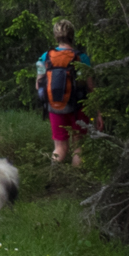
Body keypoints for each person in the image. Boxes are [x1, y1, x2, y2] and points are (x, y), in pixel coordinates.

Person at [35, 18, 94, 166]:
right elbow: (91, 87)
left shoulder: (45, 57)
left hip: (54, 106)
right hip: (78, 107)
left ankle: (54, 177)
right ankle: (76, 182)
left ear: (56, 36)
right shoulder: (82, 57)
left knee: (59, 148)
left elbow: (38, 84)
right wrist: (97, 112)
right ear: (72, 35)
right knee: (78, 147)